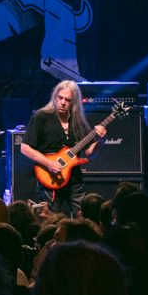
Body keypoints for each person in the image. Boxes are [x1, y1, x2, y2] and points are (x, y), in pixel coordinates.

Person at [20, 80, 105, 216]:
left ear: (74, 102)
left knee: (85, 217)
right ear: (55, 97)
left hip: (74, 181)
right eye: (60, 98)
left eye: (68, 100)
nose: (63, 102)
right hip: (50, 181)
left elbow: (89, 153)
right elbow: (25, 148)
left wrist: (100, 140)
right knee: (51, 220)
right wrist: (49, 163)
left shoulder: (78, 121)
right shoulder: (42, 117)